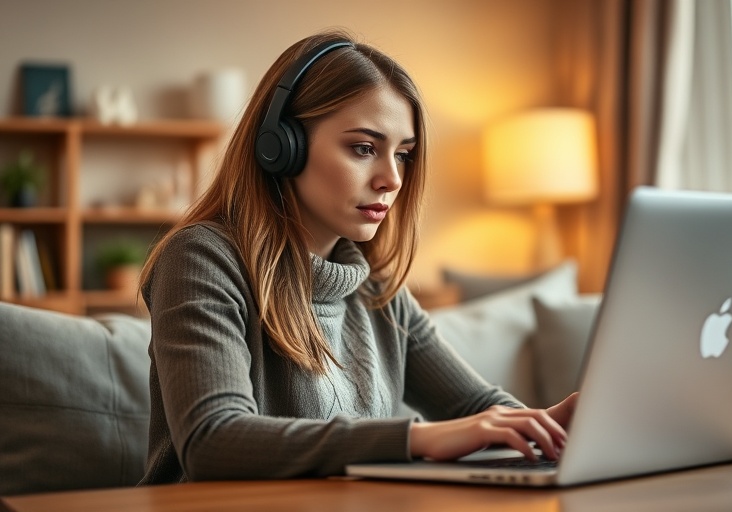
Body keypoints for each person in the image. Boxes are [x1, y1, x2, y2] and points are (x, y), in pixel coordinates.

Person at [138, 29, 578, 484]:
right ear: (282, 147)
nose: (392, 179)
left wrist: (551, 427)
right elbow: (214, 441)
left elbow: (477, 410)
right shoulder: (201, 258)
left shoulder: (377, 289)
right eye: (364, 148)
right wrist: (416, 439)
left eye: (403, 155)